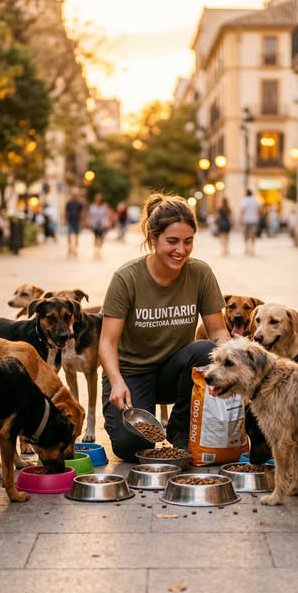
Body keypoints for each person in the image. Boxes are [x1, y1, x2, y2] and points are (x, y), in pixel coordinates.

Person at [98, 193, 231, 461]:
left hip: (177, 373)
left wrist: (234, 365)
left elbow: (218, 332)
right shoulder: (127, 278)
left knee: (206, 349)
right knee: (131, 450)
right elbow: (107, 342)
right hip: (131, 376)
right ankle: (133, 420)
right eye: (172, 241)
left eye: (188, 241)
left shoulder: (200, 273)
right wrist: (116, 382)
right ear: (151, 239)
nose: (180, 250)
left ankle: (179, 429)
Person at [87, 193, 111, 257]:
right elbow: (90, 215)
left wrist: (108, 223)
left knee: (101, 237)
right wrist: (88, 222)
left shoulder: (104, 206)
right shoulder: (92, 206)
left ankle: (100, 249)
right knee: (95, 237)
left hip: (102, 224)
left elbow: (107, 215)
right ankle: (96, 249)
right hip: (95, 224)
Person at [239, 189, 261, 255]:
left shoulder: (244, 200)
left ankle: (246, 247)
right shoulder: (255, 200)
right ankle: (252, 248)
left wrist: (240, 219)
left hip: (246, 220)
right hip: (254, 219)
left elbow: (242, 210)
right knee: (253, 234)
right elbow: (259, 209)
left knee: (246, 234)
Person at [65, 188, 84, 256]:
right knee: (69, 235)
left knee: (77, 235)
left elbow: (82, 212)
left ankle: (75, 249)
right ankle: (70, 247)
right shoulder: (69, 203)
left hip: (77, 220)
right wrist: (65, 220)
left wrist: (82, 220)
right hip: (70, 220)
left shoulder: (79, 203)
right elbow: (66, 212)